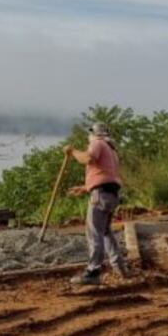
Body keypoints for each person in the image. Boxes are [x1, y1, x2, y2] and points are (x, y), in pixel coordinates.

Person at [63, 122, 128, 285]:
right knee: (105, 231)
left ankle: (93, 271)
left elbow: (87, 158)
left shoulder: (97, 143)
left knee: (94, 232)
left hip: (101, 195)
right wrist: (85, 187)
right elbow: (105, 176)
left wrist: (72, 152)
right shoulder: (111, 149)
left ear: (94, 133)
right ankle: (120, 267)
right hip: (110, 194)